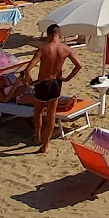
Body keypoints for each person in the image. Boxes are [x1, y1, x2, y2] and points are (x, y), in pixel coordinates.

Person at [26, 24, 83, 153]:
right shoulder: (66, 49)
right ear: (59, 35)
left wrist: (29, 80)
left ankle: (38, 137)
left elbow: (28, 69)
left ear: (49, 35)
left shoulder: (43, 49)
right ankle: (45, 146)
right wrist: (68, 78)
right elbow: (79, 65)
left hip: (42, 83)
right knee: (52, 115)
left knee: (38, 111)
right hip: (56, 83)